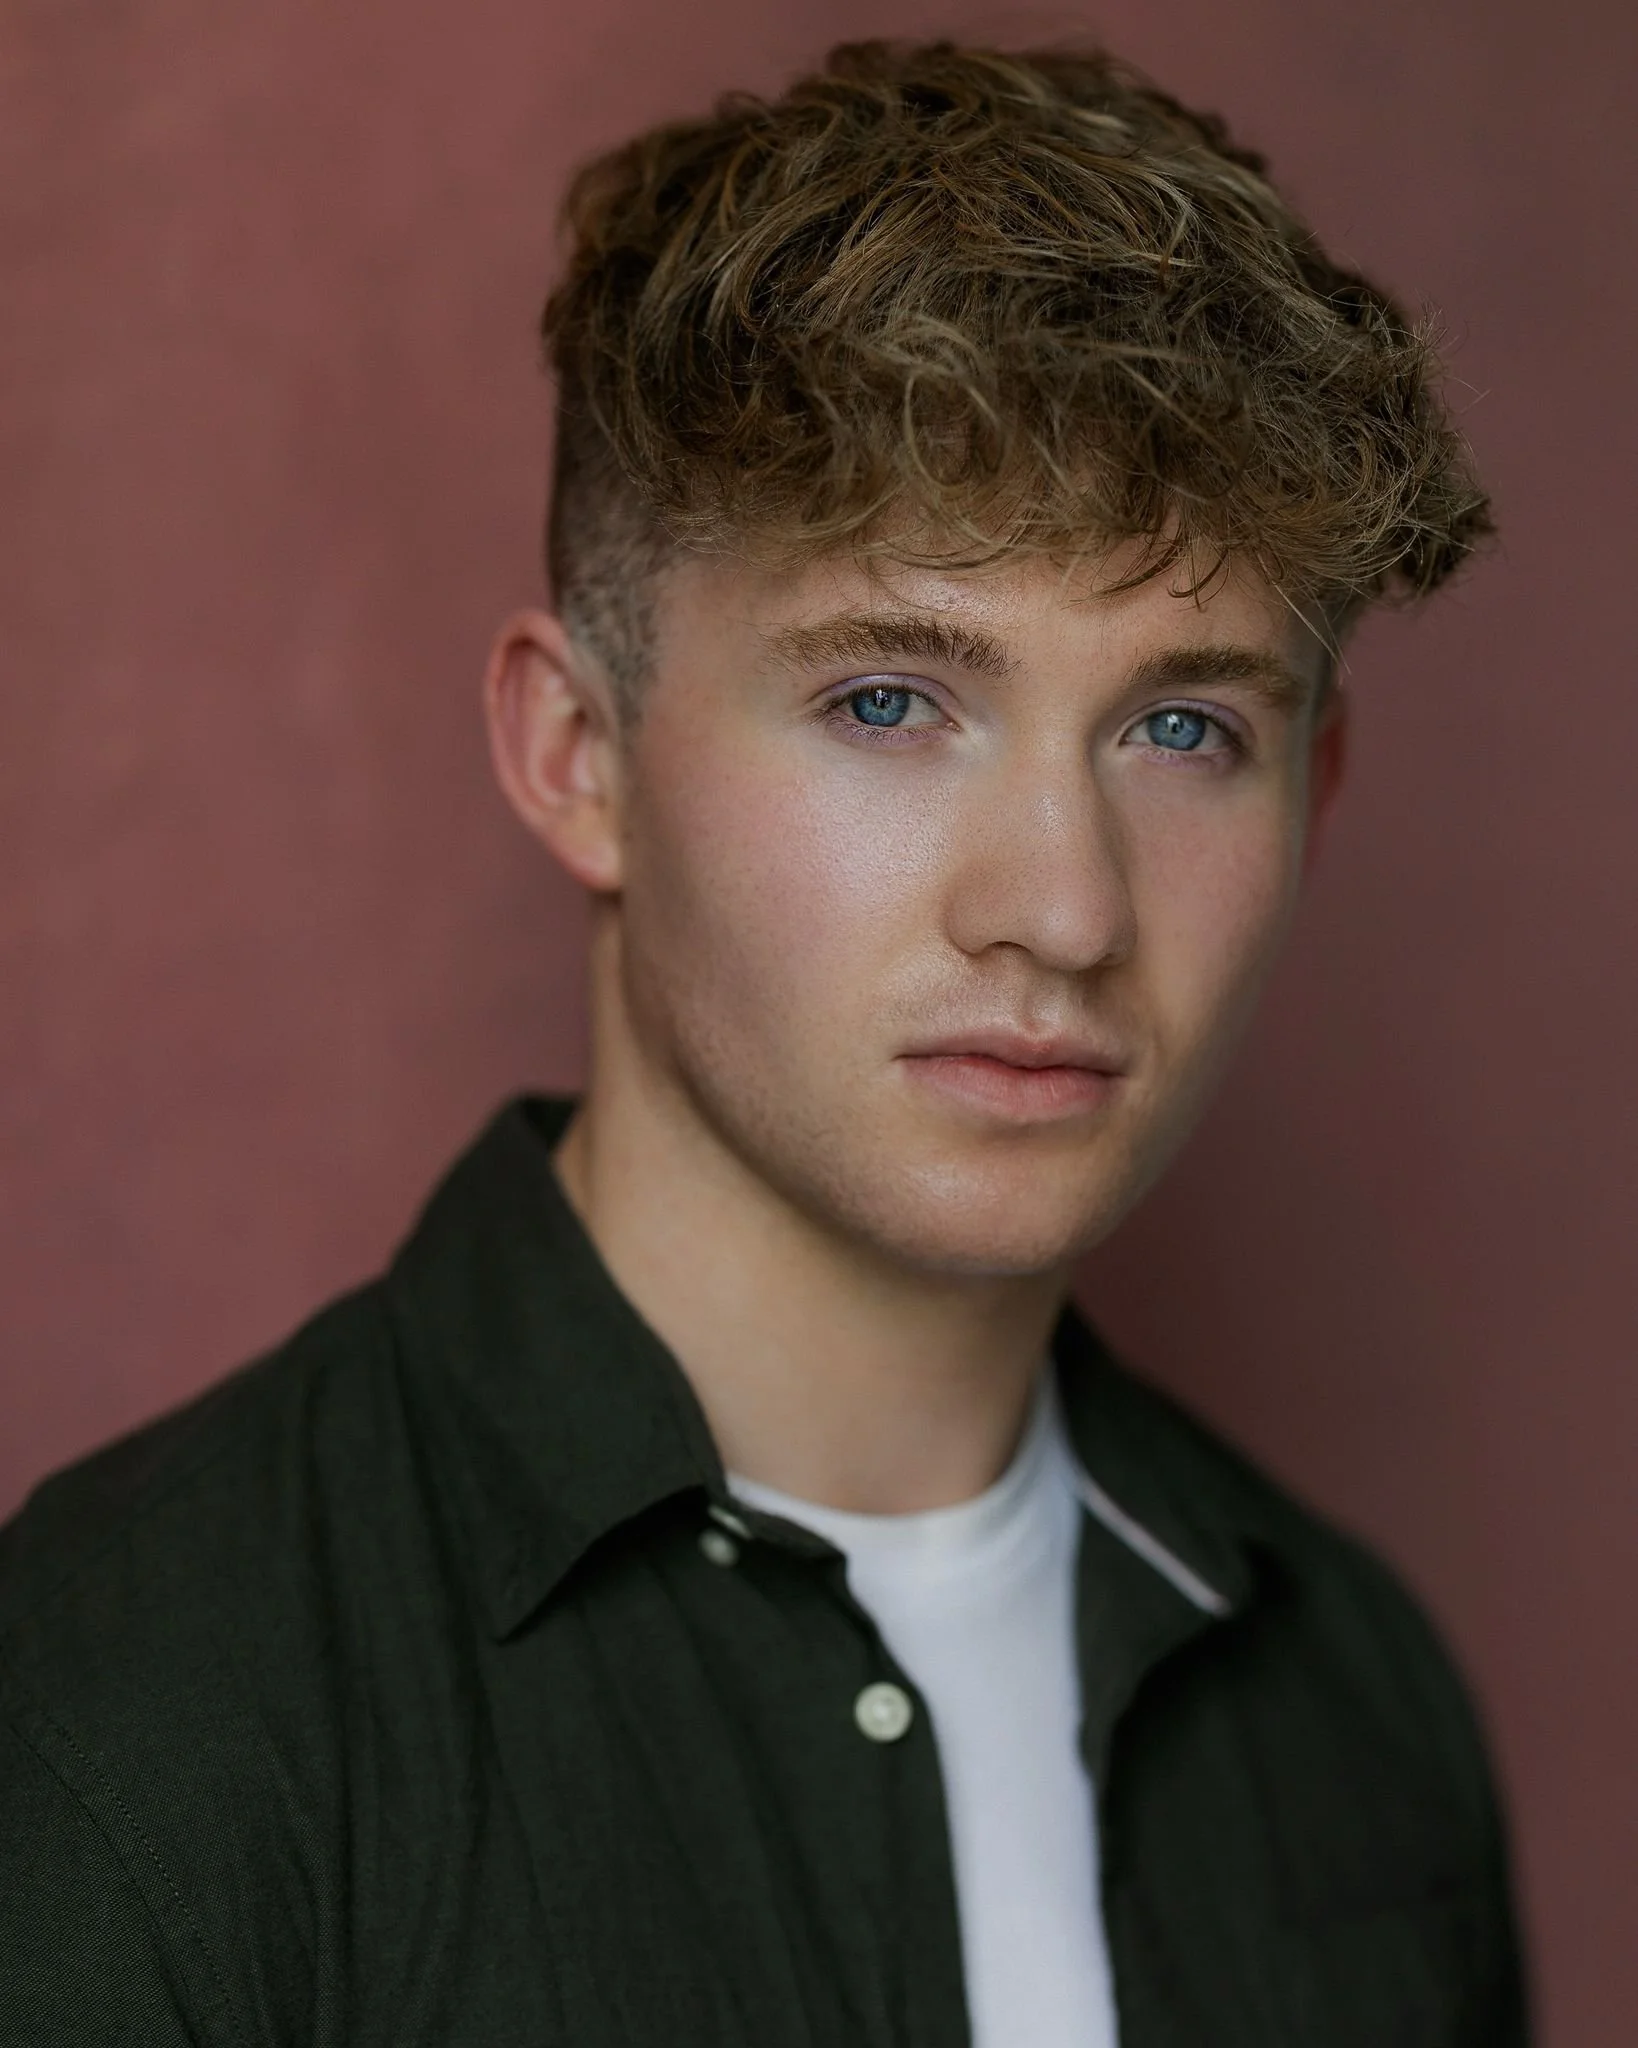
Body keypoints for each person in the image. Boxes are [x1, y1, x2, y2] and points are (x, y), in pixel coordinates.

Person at [0, 38, 1527, 2048]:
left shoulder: (1357, 1706)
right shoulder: (131, 1700)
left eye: (1183, 728)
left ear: (1314, 786)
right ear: (580, 755)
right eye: (893, 700)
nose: (1063, 907)